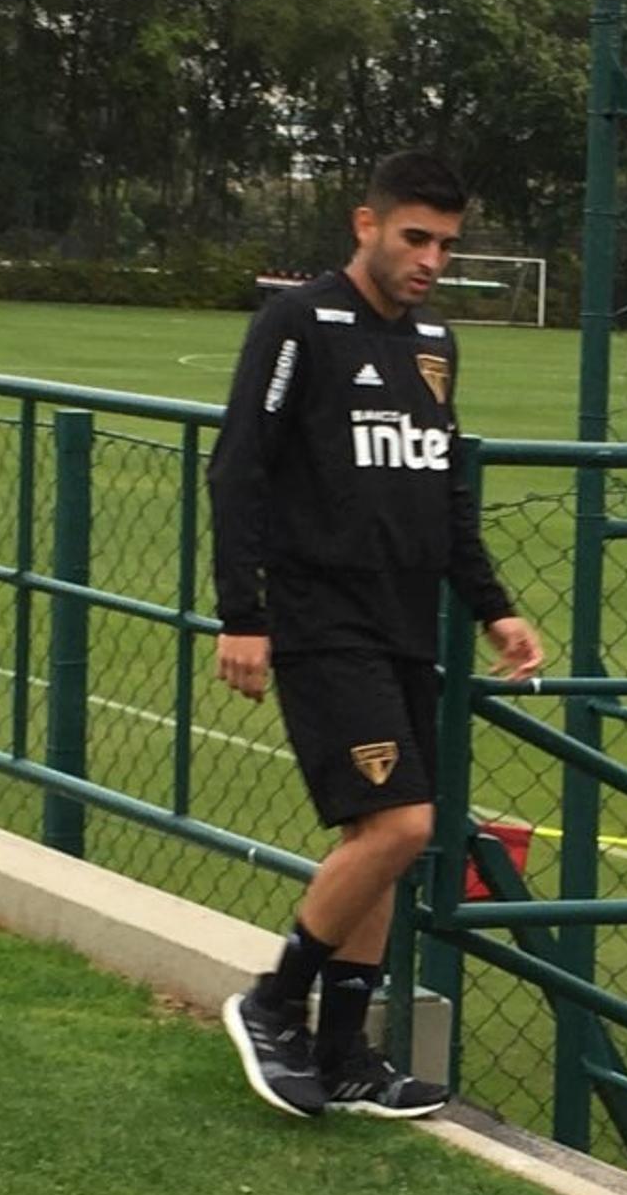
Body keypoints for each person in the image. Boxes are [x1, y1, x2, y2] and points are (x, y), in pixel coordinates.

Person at [208, 151, 543, 1120]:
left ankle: (348, 1052)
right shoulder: (297, 323)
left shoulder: (435, 339)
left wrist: (494, 605)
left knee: (384, 838)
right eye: (416, 238)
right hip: (322, 621)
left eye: (446, 243)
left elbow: (442, 485)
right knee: (404, 824)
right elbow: (240, 470)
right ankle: (275, 1003)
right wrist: (244, 612)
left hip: (406, 626)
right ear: (368, 224)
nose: (432, 258)